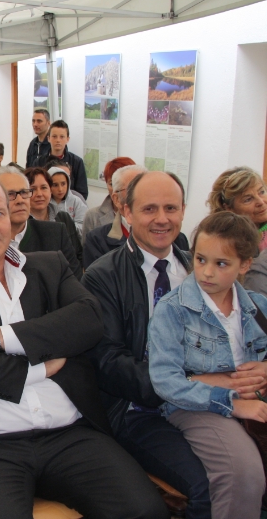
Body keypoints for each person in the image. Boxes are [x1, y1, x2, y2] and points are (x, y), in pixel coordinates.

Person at [0, 173, 168, 518]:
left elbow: (90, 320)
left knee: (146, 511)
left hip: (71, 435)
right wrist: (41, 366)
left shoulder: (49, 267)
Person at [82, 171, 211, 518]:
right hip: (138, 410)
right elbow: (108, 362)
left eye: (171, 208)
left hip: (205, 400)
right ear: (126, 211)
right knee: (204, 488)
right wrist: (183, 384)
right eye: (149, 209)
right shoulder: (102, 276)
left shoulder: (199, 270)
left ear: (183, 211)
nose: (162, 219)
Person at [148, 211, 267, 518]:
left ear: (245, 265)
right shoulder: (172, 309)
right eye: (200, 259)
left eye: (221, 263)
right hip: (193, 406)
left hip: (254, 399)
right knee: (243, 472)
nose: (207, 272)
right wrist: (232, 402)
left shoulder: (258, 305)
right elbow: (166, 381)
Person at [0, 167, 82, 280]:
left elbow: (75, 278)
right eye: (10, 194)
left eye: (24, 192)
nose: (20, 200)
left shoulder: (56, 232)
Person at [24, 167, 82, 262]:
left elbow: (77, 253)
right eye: (32, 189)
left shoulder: (64, 218)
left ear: (50, 190)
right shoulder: (21, 223)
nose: (39, 194)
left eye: (44, 188)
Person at [207, 166, 267, 251]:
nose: (261, 202)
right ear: (229, 208)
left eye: (262, 192)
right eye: (248, 199)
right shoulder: (223, 243)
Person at [32, 120, 89, 200]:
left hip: (70, 205)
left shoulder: (77, 162)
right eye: (54, 136)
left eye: (62, 137)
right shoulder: (38, 162)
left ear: (67, 139)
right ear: (48, 138)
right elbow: (33, 187)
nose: (58, 140)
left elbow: (82, 193)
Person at [83, 157, 135, 241]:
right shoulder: (93, 216)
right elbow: (86, 247)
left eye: (123, 184)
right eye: (112, 184)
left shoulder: (144, 214)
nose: (117, 189)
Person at [48, 165, 87, 236]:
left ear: (68, 183)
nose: (60, 189)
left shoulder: (76, 201)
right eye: (55, 185)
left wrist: (69, 225)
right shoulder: (45, 203)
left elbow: (84, 227)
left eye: (63, 184)